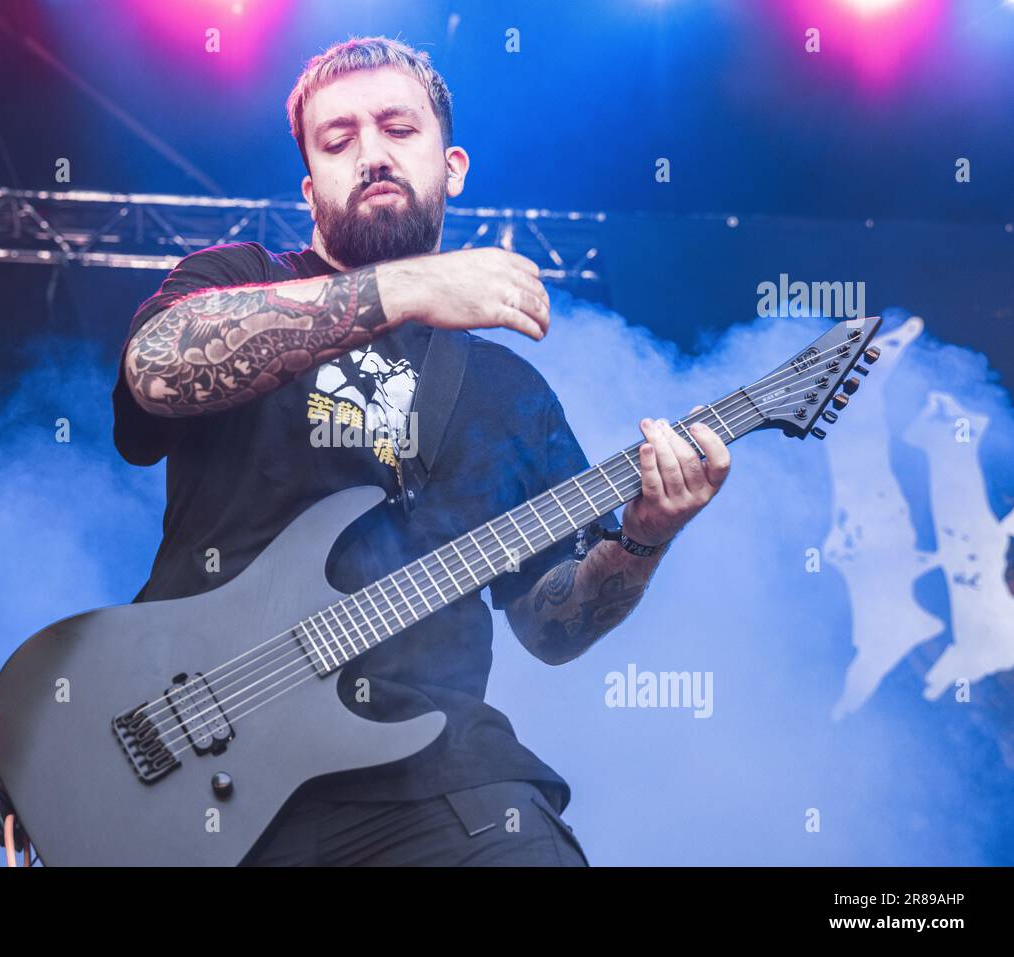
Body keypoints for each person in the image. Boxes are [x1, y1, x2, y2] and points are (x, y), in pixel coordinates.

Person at [111, 36, 730, 866]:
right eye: (338, 140)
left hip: (437, 777)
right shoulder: (239, 278)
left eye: (398, 129)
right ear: (309, 187)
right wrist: (407, 288)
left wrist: (647, 534)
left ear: (453, 164)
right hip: (206, 762)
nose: (370, 154)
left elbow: (554, 625)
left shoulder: (510, 393)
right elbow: (156, 372)